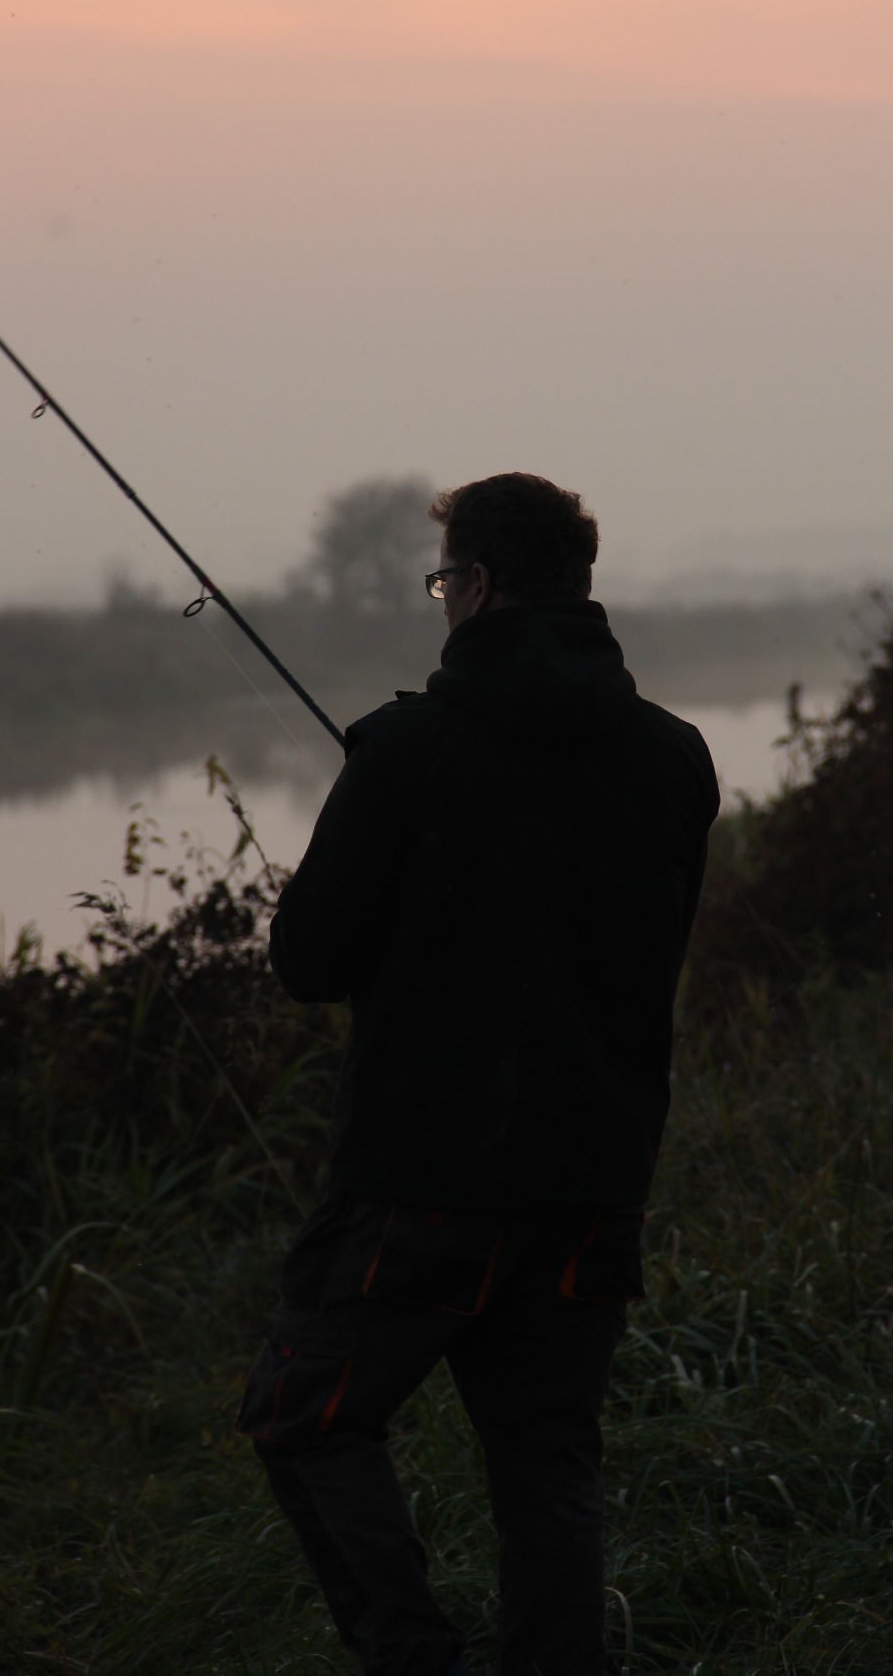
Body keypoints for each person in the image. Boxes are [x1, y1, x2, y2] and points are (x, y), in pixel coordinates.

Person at [237, 472, 719, 1676]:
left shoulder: (405, 751)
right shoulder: (676, 758)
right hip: (590, 1182)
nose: (443, 599)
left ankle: (412, 1656)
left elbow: (311, 960)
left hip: (420, 1181)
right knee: (548, 1460)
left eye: (446, 579)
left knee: (303, 1416)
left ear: (484, 585)